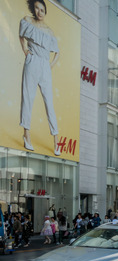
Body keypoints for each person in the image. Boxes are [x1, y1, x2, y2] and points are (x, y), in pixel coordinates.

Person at [19, 0, 61, 155]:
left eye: (42, 9)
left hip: (44, 66)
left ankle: (56, 140)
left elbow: (57, 53)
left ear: (45, 11)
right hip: (32, 61)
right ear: (33, 9)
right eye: (36, 8)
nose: (39, 12)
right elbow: (21, 35)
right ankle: (26, 135)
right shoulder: (27, 21)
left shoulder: (49, 31)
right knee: (27, 98)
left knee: (49, 103)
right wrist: (25, 50)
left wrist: (49, 66)